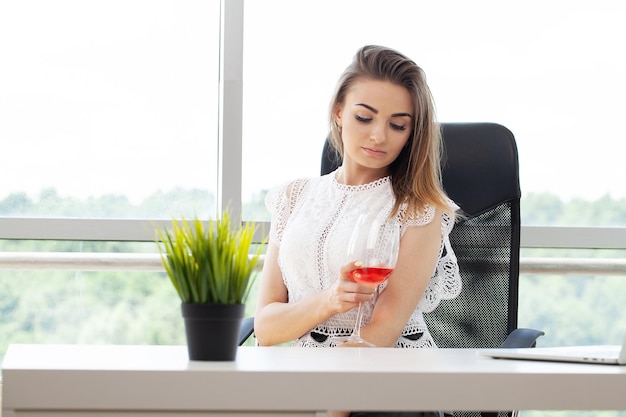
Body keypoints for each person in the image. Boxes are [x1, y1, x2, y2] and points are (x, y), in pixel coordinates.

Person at [254, 45, 461, 417]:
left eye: (398, 125)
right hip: (307, 382)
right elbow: (266, 328)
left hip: (385, 391)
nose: (379, 136)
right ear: (338, 113)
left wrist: (330, 412)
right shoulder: (293, 197)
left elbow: (381, 334)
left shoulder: (419, 210)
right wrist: (331, 300)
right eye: (364, 117)